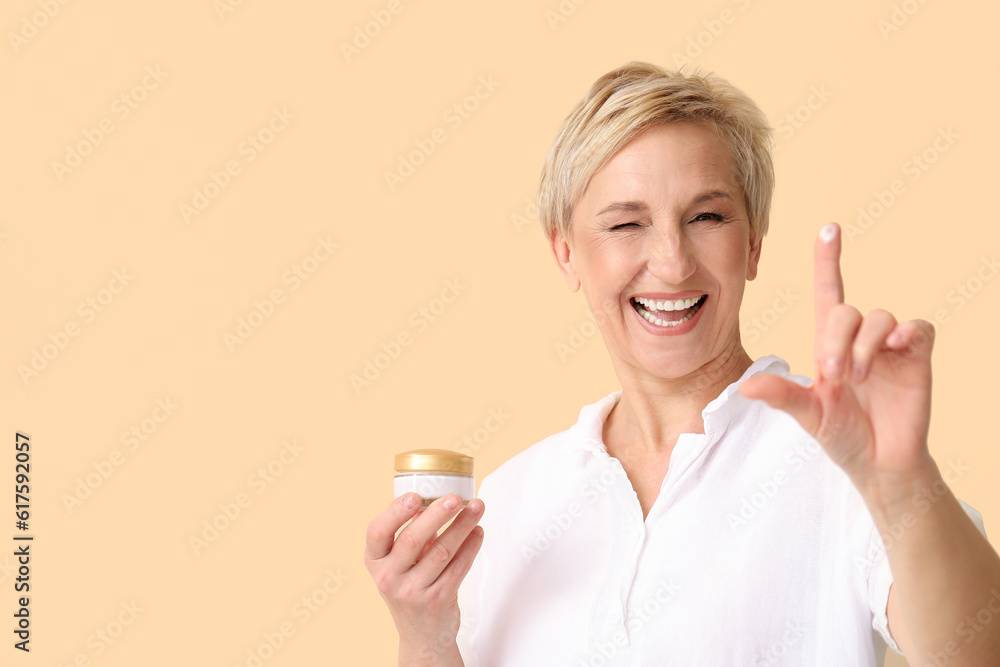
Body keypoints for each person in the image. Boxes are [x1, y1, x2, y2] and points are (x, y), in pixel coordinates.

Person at [364, 61, 998, 666]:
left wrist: (902, 484)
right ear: (566, 255)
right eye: (624, 225)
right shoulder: (508, 503)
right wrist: (423, 637)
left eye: (706, 216)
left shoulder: (844, 462)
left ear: (752, 243)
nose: (671, 262)